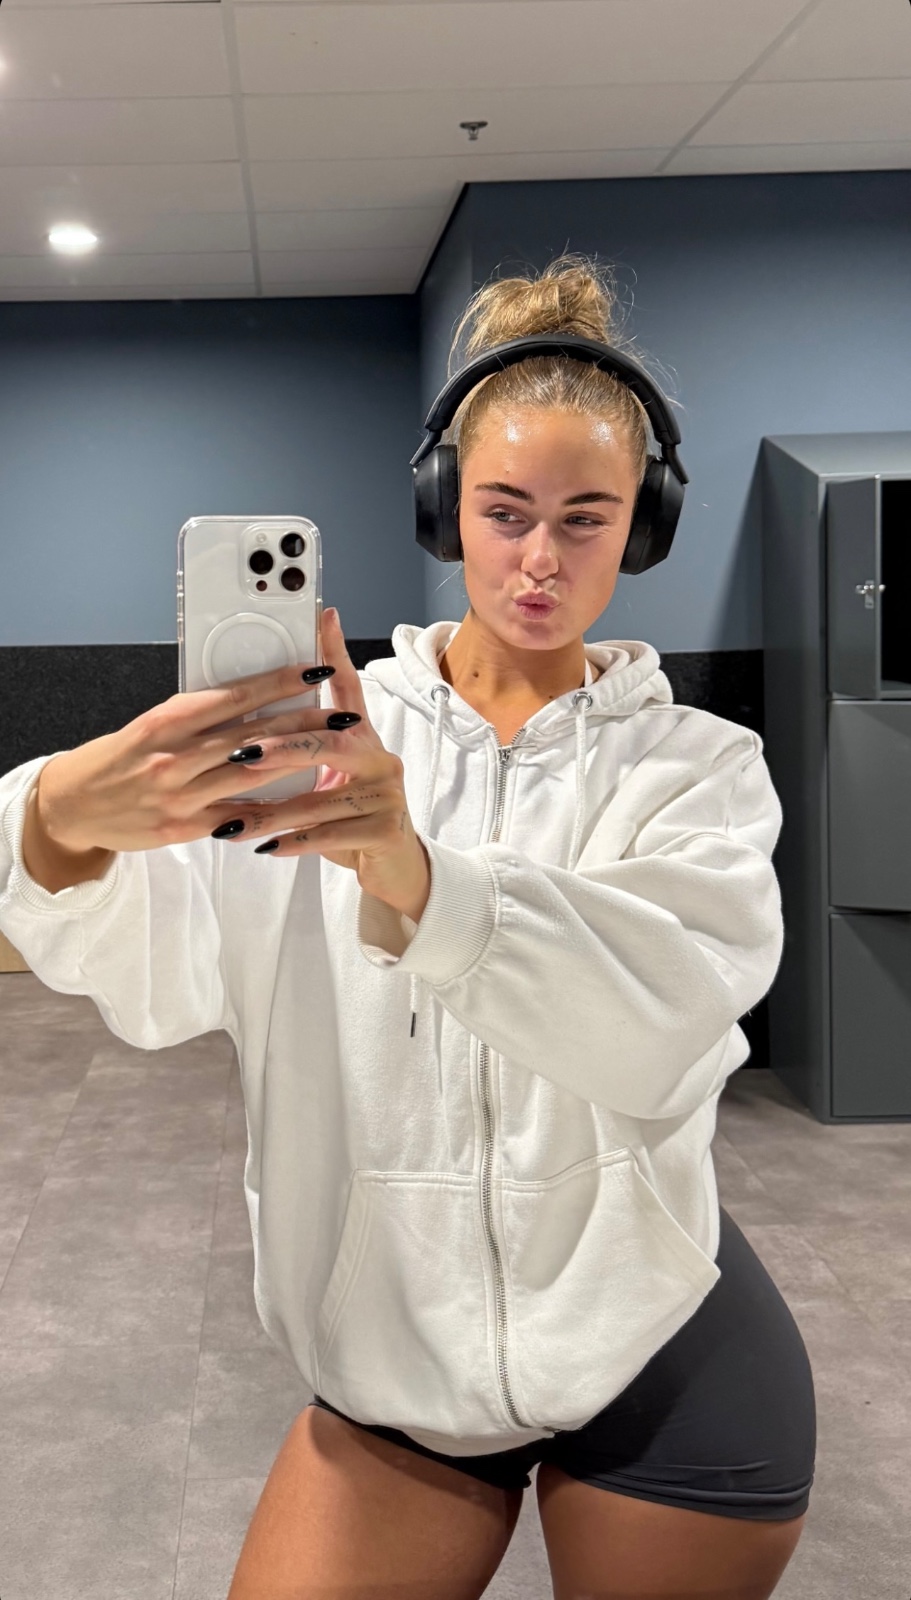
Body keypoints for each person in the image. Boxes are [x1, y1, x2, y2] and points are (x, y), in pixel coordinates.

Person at [0, 255, 815, 1600]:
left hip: (658, 1337)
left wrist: (417, 874)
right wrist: (55, 820)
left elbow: (664, 1017)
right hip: (396, 1352)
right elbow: (151, 955)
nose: (540, 559)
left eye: (586, 519)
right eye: (504, 512)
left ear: (644, 526)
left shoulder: (699, 768)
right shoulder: (324, 733)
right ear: (446, 509)